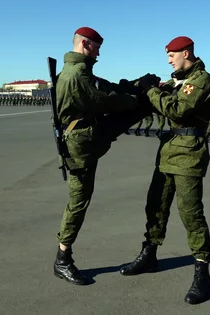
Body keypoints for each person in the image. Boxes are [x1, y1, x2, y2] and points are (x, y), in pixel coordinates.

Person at [119, 36, 210, 305]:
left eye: (172, 55)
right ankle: (149, 254)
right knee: (156, 205)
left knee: (190, 213)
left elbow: (177, 111)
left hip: (188, 152)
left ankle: (202, 271)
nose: (169, 59)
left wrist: (153, 91)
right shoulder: (180, 80)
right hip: (169, 149)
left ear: (186, 53)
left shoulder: (201, 81)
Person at [53, 27, 156, 285]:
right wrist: (137, 98)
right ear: (85, 45)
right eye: (97, 47)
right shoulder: (76, 74)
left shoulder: (81, 71)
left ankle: (63, 257)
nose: (99, 53)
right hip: (82, 144)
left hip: (88, 137)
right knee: (78, 201)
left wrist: (136, 85)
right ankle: (62, 260)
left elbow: (106, 87)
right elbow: (103, 99)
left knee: (80, 200)